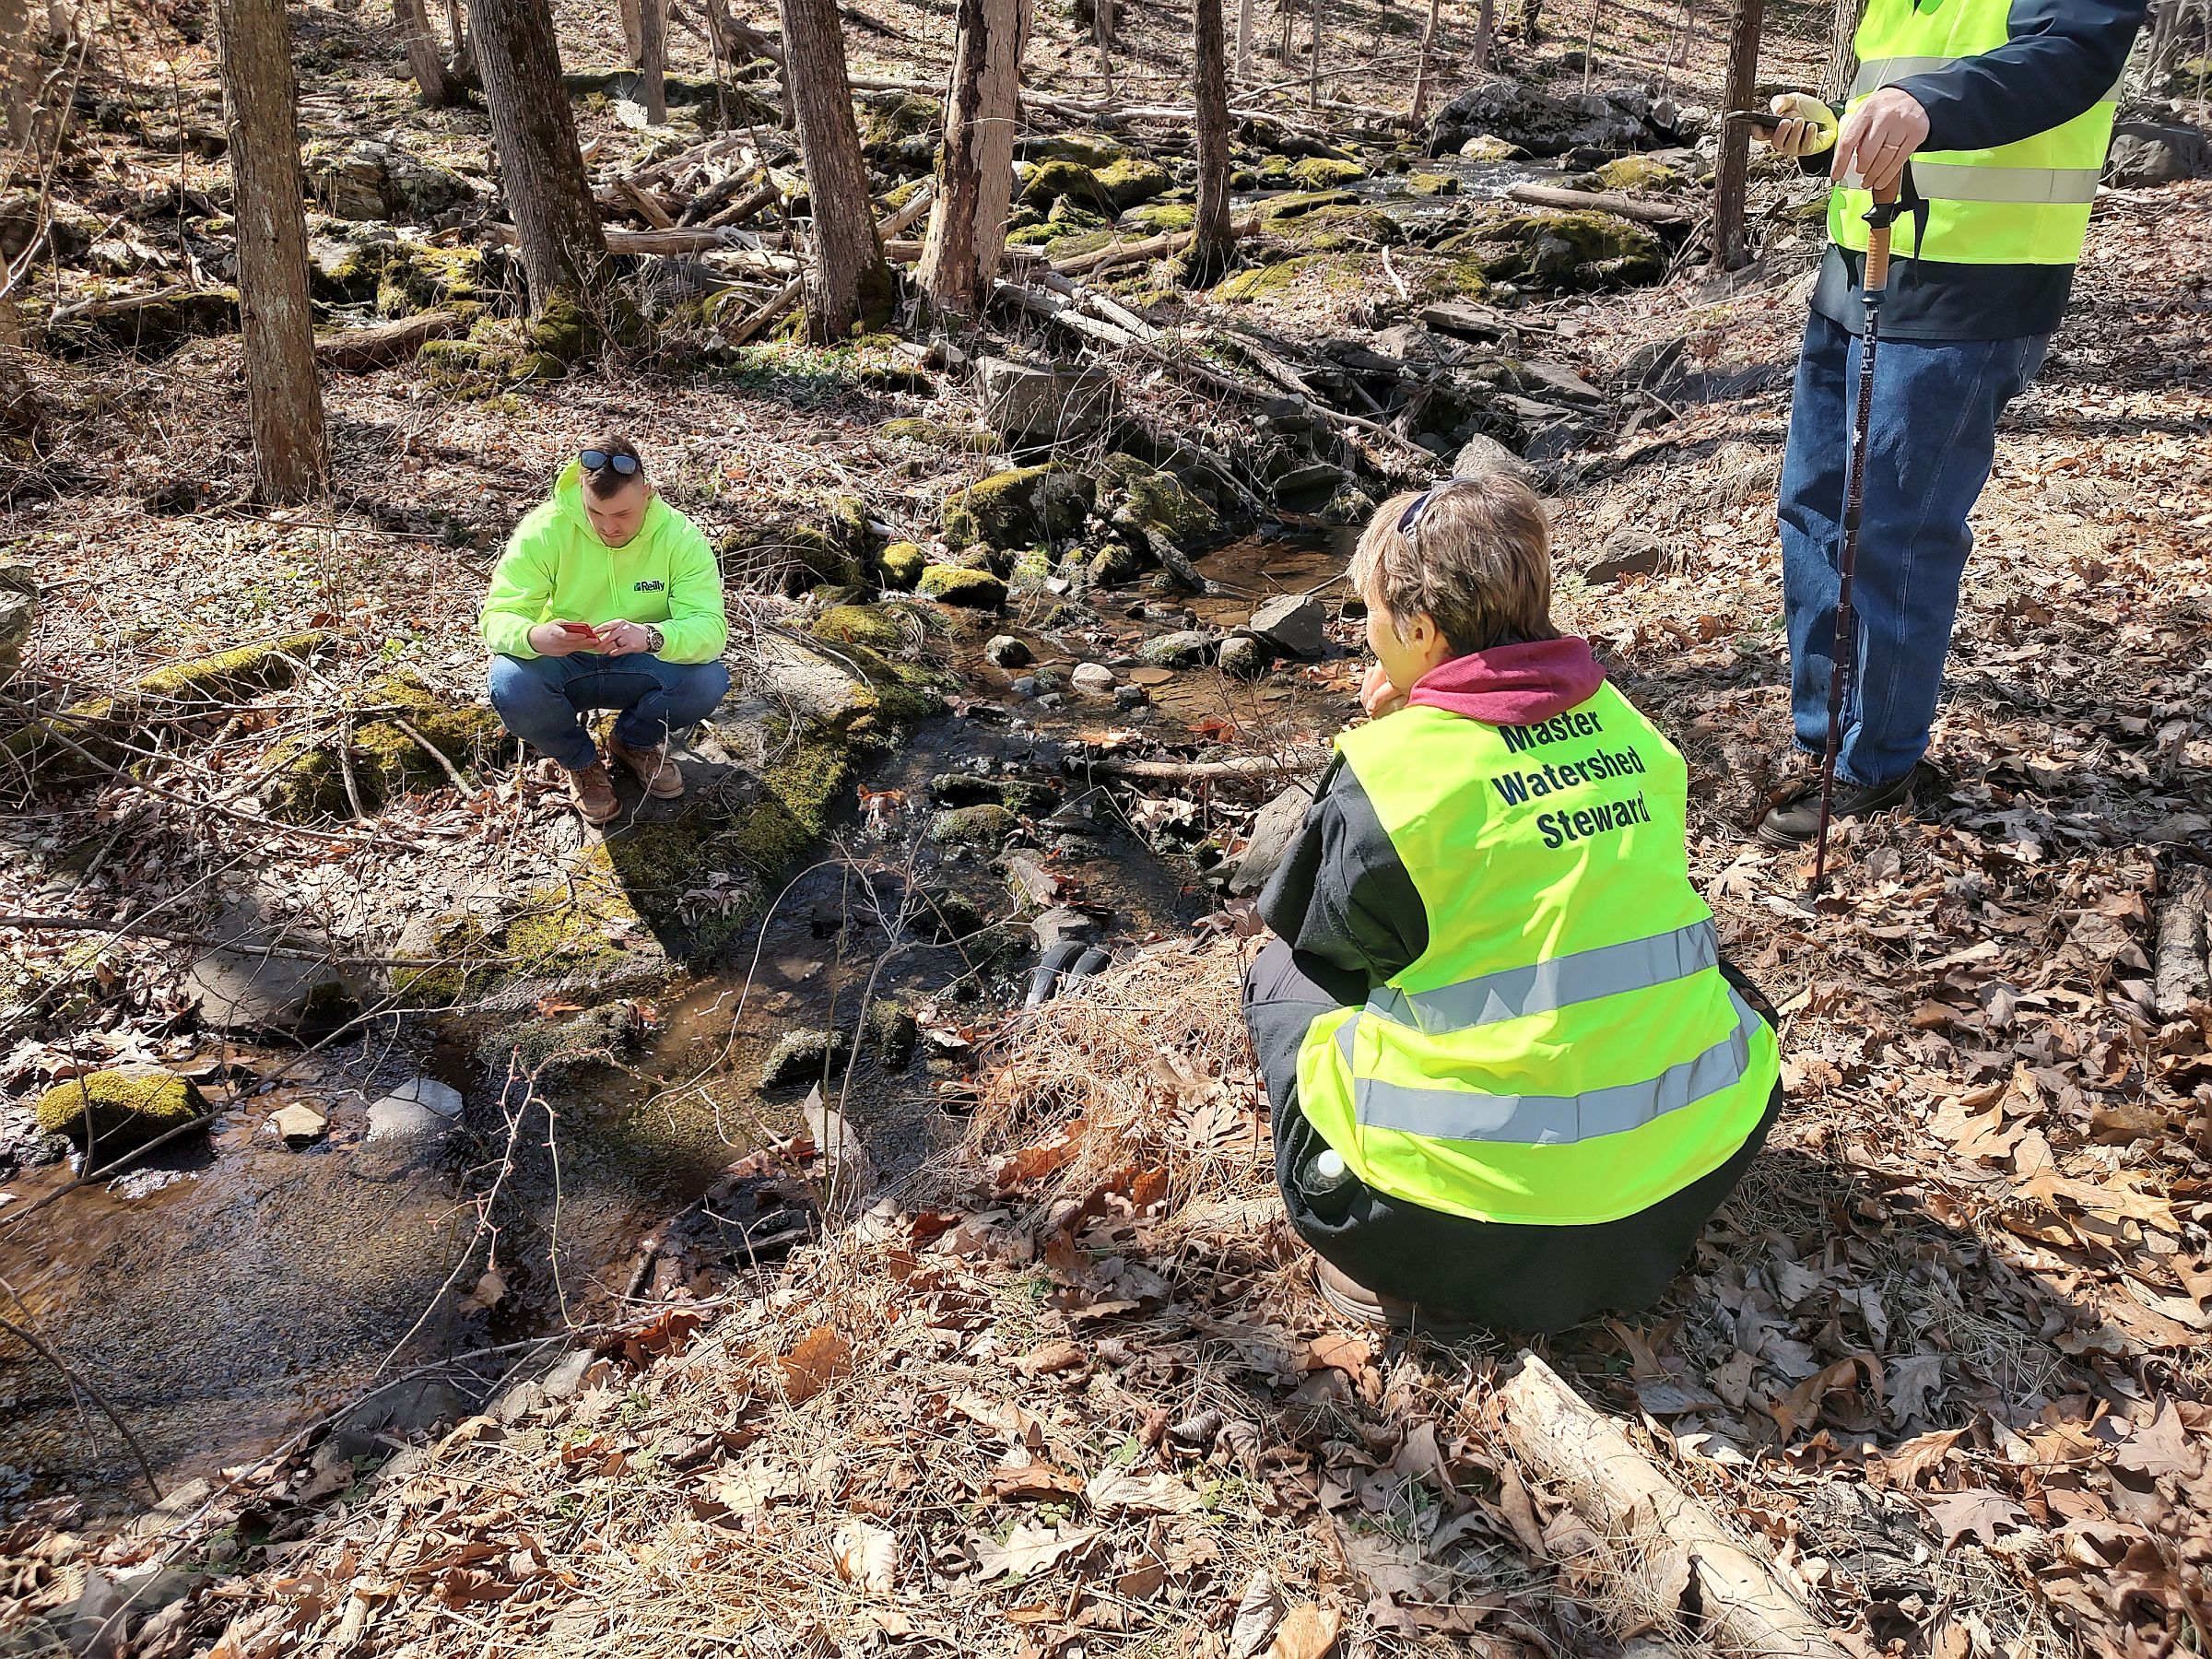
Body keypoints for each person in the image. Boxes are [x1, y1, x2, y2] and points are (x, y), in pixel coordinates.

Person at [1242, 475, 1783, 1335]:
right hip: (1690, 1170)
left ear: (1419, 631)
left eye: (1372, 616)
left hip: (1458, 1224)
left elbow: (1323, 936)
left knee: (1282, 974)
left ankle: (1386, 1271)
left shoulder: (1395, 780)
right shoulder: (1634, 732)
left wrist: (1384, 739)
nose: (1367, 635)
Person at [1752, 0, 2145, 845]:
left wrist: (1931, 110)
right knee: (1814, 506)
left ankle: (1876, 766)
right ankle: (1827, 746)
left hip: (1978, 280)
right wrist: (1835, 134)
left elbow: (2075, 54)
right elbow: (1895, 96)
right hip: (1860, 260)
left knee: (1896, 528)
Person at [480, 437, 731, 826]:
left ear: (648, 494)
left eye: (623, 514)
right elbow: (498, 616)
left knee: (707, 680)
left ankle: (634, 742)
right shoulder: (546, 528)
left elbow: (711, 629)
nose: (609, 528)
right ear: (582, 492)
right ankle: (580, 763)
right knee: (510, 681)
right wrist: (534, 636)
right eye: (596, 513)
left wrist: (652, 636)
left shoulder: (680, 538)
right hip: (564, 662)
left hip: (640, 658)